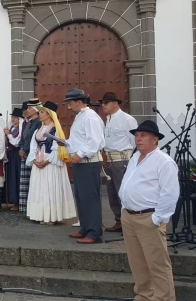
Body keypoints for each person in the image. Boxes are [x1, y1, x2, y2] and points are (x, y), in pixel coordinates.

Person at [119, 120, 179, 301]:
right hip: (129, 216)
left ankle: (163, 298)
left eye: (143, 135)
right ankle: (144, 295)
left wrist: (158, 218)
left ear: (155, 139)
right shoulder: (135, 157)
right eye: (136, 135)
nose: (138, 139)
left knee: (157, 264)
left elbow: (170, 193)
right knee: (137, 262)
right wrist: (124, 206)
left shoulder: (164, 162)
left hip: (148, 217)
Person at [63, 89, 105, 244]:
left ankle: (94, 232)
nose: (68, 105)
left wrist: (79, 153)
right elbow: (80, 139)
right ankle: (85, 228)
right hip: (81, 163)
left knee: (90, 198)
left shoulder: (90, 117)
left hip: (89, 163)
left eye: (70, 102)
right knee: (81, 197)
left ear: (79, 102)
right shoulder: (81, 117)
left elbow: (95, 141)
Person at [26, 101, 76, 224]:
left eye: (42, 112)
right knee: (40, 189)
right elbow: (33, 145)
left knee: (50, 188)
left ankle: (52, 216)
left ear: (49, 114)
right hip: (38, 162)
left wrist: (47, 161)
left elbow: (57, 147)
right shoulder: (39, 129)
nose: (40, 114)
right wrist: (34, 159)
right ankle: (41, 215)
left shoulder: (55, 130)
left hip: (50, 164)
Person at [100, 92, 138, 232]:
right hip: (110, 160)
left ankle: (129, 223)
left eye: (106, 102)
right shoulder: (108, 119)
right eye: (103, 103)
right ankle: (119, 221)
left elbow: (134, 142)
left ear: (115, 103)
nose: (103, 105)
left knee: (123, 192)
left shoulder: (127, 119)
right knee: (112, 193)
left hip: (122, 160)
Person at [19, 99, 41, 214]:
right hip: (25, 154)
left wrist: (25, 150)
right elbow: (23, 138)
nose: (27, 110)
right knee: (26, 184)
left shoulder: (38, 122)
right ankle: (26, 208)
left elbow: (34, 139)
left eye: (29, 108)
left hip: (32, 155)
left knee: (33, 182)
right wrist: (21, 148)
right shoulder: (29, 122)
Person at [4, 108, 23, 211]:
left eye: (15, 117)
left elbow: (16, 142)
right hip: (10, 155)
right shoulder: (10, 128)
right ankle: (13, 200)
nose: (13, 119)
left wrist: (8, 135)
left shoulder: (20, 130)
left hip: (17, 155)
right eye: (12, 117)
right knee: (11, 177)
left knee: (17, 177)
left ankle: (18, 202)